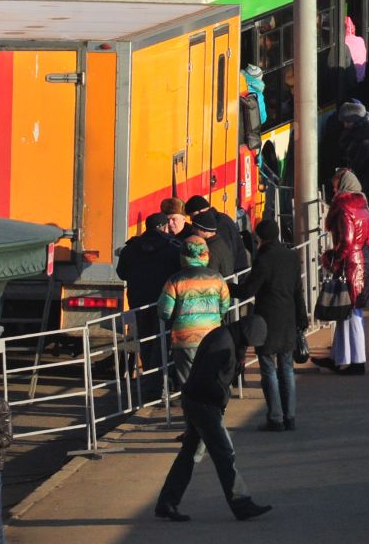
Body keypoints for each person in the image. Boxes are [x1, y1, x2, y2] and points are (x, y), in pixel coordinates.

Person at [155, 313, 273, 522]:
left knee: (189, 454)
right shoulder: (222, 343)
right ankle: (241, 503)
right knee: (224, 454)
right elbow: (207, 378)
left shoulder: (228, 337)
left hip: (197, 401)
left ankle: (167, 501)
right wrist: (221, 396)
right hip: (204, 405)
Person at [236, 218, 306, 431]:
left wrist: (227, 287)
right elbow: (297, 291)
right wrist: (302, 320)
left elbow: (249, 290)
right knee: (287, 368)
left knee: (268, 370)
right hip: (288, 319)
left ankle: (275, 418)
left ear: (261, 238)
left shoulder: (264, 259)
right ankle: (290, 416)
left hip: (267, 321)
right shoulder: (292, 257)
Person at [156, 237, 231, 392]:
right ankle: (212, 413)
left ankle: (191, 414)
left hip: (185, 338)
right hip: (212, 336)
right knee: (210, 378)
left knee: (188, 382)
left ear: (183, 255)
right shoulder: (217, 278)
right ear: (206, 255)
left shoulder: (175, 280)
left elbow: (165, 311)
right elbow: (225, 306)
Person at [320, 169, 369, 375]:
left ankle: (355, 361)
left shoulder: (343, 207)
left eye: (335, 185)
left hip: (349, 263)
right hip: (360, 260)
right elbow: (364, 239)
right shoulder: (362, 204)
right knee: (351, 311)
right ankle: (342, 357)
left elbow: (346, 241)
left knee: (349, 312)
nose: (333, 190)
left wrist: (333, 257)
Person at [117, 211, 182, 373]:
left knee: (145, 340)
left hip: (139, 302)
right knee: (163, 340)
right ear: (164, 227)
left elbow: (122, 273)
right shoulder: (173, 247)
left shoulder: (130, 248)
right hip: (165, 302)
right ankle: (160, 376)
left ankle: (147, 374)